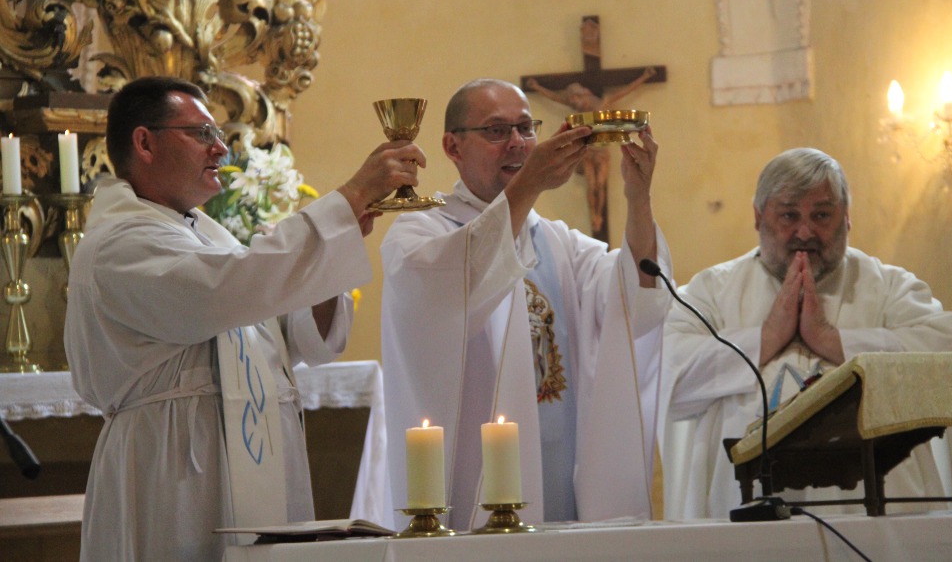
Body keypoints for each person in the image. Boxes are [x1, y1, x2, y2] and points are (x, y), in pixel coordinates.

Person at [64, 76, 425, 560]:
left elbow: (299, 341)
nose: (220, 149)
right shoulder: (119, 243)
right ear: (144, 142)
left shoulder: (209, 237)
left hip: (239, 465)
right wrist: (350, 195)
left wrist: (330, 254)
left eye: (218, 134)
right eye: (202, 134)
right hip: (173, 473)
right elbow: (220, 292)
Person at [380, 78, 674, 531]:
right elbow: (449, 295)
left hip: (563, 482)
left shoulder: (558, 243)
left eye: (525, 128)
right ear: (453, 146)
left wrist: (639, 198)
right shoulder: (423, 232)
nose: (517, 143)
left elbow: (637, 300)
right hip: (469, 487)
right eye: (496, 131)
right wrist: (531, 182)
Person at [659, 147, 952, 519]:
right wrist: (766, 338)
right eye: (789, 215)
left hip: (875, 518)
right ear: (758, 217)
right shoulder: (712, 291)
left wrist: (833, 341)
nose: (805, 232)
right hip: (743, 515)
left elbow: (945, 353)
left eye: (821, 215)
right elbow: (665, 371)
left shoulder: (887, 287)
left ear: (847, 217)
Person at [525, 67, 657, 239]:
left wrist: (644, 77)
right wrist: (536, 87)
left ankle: (598, 215)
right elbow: (555, 98)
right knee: (591, 184)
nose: (575, 104)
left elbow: (625, 91)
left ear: (583, 95)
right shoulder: (579, 110)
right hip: (587, 151)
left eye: (576, 99)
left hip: (601, 152)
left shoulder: (602, 104)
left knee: (600, 184)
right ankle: (594, 214)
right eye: (572, 101)